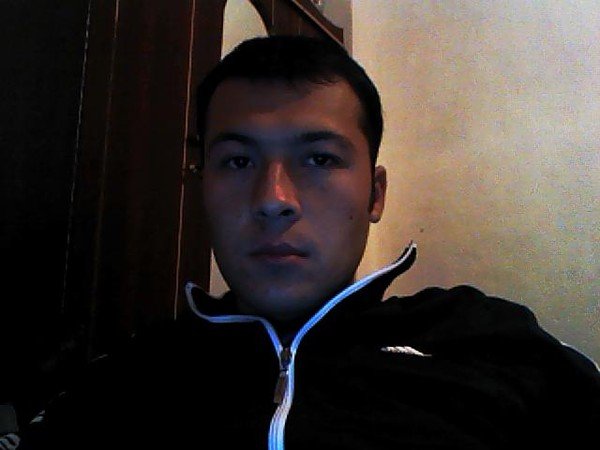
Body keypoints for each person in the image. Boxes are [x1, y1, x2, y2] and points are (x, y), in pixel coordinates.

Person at [18, 35, 599, 450]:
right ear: (200, 188)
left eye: (319, 159)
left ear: (375, 194)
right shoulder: (123, 381)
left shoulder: (492, 344)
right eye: (238, 160)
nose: (274, 199)